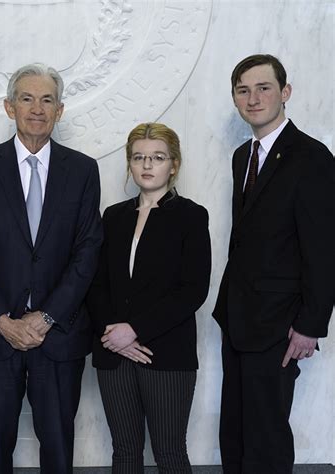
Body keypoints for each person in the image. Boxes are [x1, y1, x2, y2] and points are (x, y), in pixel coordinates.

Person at [0, 63, 102, 474]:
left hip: (58, 340)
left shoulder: (82, 169)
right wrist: (3, 320)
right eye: (26, 98)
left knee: (58, 452)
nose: (37, 108)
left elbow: (87, 253)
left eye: (47, 100)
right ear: (8, 107)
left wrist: (47, 316)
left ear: (60, 110)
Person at [213, 54, 335, 473]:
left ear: (285, 93)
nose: (253, 98)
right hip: (239, 317)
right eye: (243, 90)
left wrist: (311, 324)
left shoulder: (311, 157)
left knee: (266, 438)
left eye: (263, 88)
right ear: (234, 98)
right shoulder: (241, 156)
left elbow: (324, 248)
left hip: (280, 323)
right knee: (236, 431)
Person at [87, 122, 211, 473]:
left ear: (173, 164)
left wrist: (134, 330)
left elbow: (192, 290)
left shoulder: (190, 216)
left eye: (157, 157)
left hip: (166, 354)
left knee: (169, 453)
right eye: (138, 157)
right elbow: (95, 285)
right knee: (124, 453)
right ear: (129, 163)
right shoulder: (113, 217)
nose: (146, 165)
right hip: (113, 352)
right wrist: (113, 335)